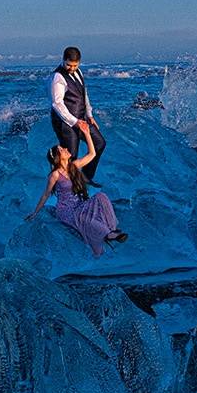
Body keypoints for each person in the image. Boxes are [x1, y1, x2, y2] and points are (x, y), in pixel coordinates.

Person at [26, 121, 127, 256]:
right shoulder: (55, 175)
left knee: (101, 197)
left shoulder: (74, 166)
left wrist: (86, 134)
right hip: (66, 210)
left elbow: (92, 154)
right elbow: (46, 195)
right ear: (58, 157)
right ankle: (108, 236)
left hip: (80, 204)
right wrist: (35, 212)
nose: (66, 149)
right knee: (86, 219)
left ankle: (111, 229)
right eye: (62, 150)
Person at [50, 46, 106, 186]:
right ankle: (62, 188)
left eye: (75, 65)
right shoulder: (57, 77)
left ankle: (85, 177)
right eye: (69, 64)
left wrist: (89, 114)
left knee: (99, 143)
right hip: (65, 123)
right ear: (63, 60)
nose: (71, 68)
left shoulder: (79, 72)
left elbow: (83, 94)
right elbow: (57, 104)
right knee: (70, 157)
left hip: (82, 118)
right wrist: (75, 122)